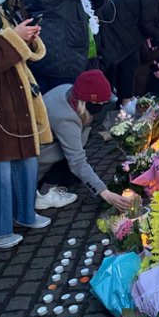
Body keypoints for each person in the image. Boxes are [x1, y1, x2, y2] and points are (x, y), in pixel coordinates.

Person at [0, 0, 52, 249]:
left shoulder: (1, 10)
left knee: (26, 154)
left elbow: (22, 50)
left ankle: (25, 212)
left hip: (19, 90)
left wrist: (28, 38)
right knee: (0, 163)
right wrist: (16, 38)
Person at [36, 70, 136, 212]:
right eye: (100, 102)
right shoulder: (66, 118)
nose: (102, 104)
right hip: (38, 159)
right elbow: (77, 160)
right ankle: (44, 192)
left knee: (79, 143)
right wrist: (105, 193)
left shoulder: (68, 90)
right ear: (88, 101)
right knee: (74, 151)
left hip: (46, 143)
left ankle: (57, 181)